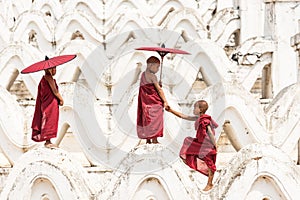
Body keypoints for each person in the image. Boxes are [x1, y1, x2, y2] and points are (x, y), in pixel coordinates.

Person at [166, 100, 218, 191]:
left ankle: (210, 183)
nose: (193, 109)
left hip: (206, 144)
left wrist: (215, 145)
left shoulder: (205, 120)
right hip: (199, 142)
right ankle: (188, 160)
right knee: (187, 140)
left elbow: (210, 133)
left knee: (210, 163)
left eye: (195, 107)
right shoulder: (198, 118)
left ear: (201, 110)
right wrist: (171, 111)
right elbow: (184, 116)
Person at [137, 56, 169, 144]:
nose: (158, 69)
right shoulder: (153, 76)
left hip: (146, 102)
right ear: (150, 65)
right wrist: (165, 101)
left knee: (147, 119)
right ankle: (154, 139)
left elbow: (149, 87)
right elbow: (159, 90)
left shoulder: (143, 74)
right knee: (155, 119)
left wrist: (158, 84)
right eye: (157, 67)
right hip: (154, 102)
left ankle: (148, 139)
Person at [31, 66, 64, 148]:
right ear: (48, 69)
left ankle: (48, 140)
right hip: (50, 104)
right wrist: (61, 99)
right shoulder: (49, 78)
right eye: (53, 68)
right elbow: (55, 91)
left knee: (48, 119)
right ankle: (48, 141)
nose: (55, 70)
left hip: (47, 103)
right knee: (50, 120)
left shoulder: (43, 79)